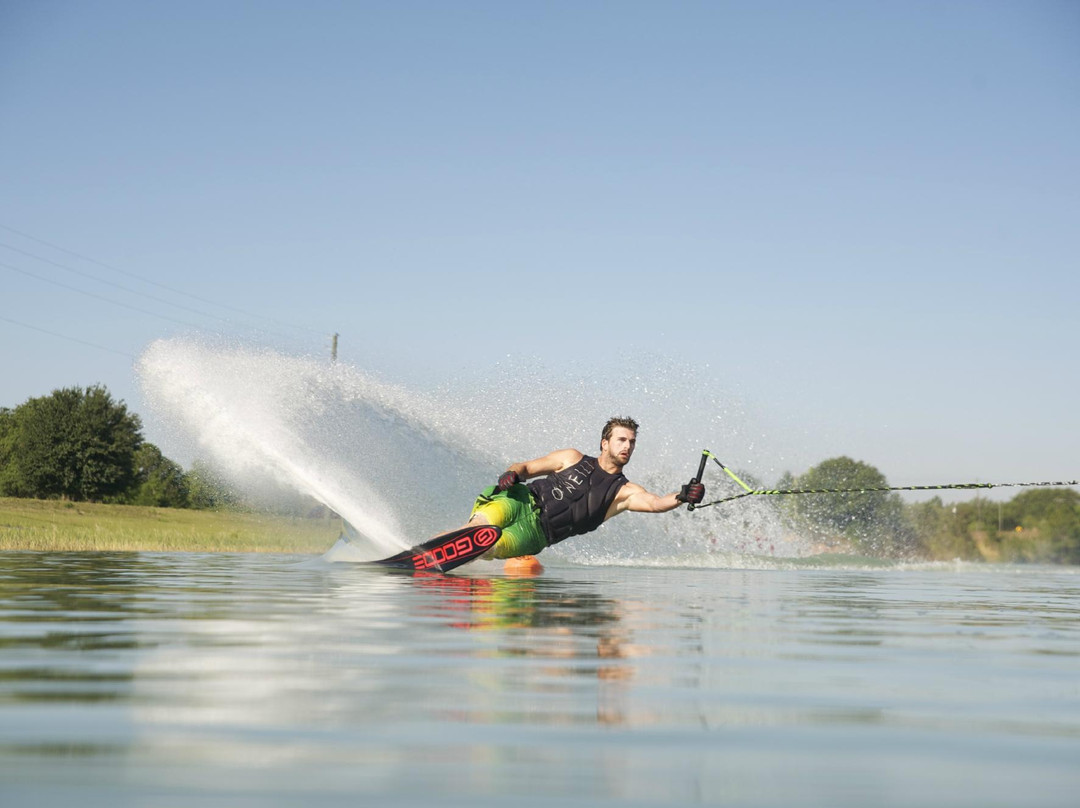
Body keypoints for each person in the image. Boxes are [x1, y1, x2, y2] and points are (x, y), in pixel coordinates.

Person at [467, 416, 705, 562]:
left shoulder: (624, 492)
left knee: (487, 546)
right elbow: (526, 467)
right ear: (605, 443)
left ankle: (446, 557)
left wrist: (682, 496)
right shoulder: (571, 457)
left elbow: (655, 503)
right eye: (622, 440)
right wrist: (513, 473)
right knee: (479, 527)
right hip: (520, 500)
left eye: (632, 442)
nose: (628, 446)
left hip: (538, 534)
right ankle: (431, 550)